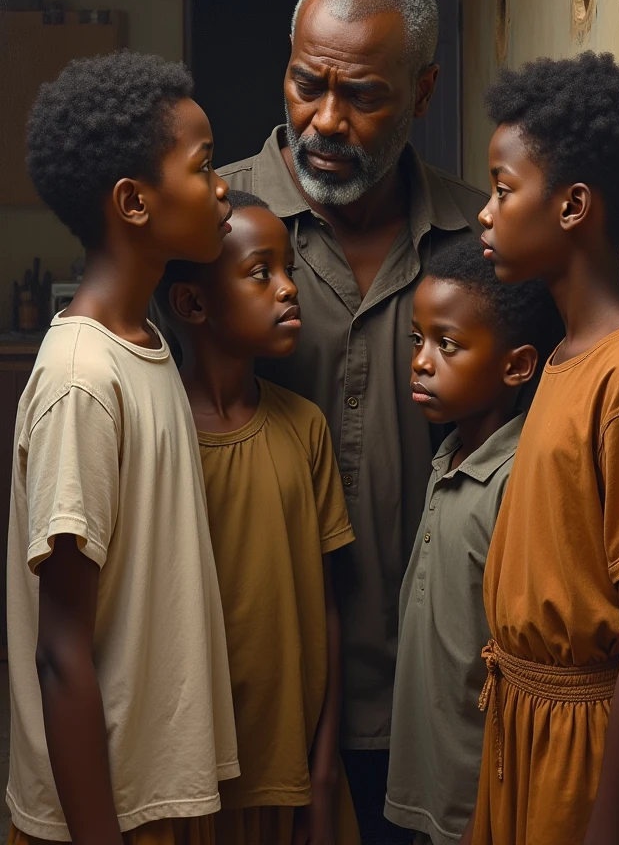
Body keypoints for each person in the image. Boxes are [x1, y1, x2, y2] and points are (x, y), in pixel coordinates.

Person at [214, 0, 487, 843]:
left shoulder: (483, 247)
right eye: (306, 84)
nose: (324, 121)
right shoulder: (206, 233)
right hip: (251, 712)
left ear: (424, 91)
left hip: (440, 714)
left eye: (363, 95)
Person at [7, 52, 239, 845]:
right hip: (103, 818)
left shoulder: (145, 341)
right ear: (134, 202)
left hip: (157, 796)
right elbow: (61, 652)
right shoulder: (81, 378)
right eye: (204, 166)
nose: (223, 187)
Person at [466, 51, 619, 845]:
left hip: (588, 753)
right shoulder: (562, 359)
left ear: (573, 207)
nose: (486, 213)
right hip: (524, 733)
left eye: (502, 188)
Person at [154, 189, 360, 845]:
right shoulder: (159, 435)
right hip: (181, 782)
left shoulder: (306, 430)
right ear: (192, 303)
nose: (288, 289)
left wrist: (322, 778)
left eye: (289, 271)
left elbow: (327, 607)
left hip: (290, 777)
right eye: (260, 272)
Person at [384, 237, 564, 845]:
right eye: (418, 340)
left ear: (516, 366)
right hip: (430, 781)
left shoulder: (517, 479)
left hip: (481, 796)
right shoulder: (450, 458)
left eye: (448, 345)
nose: (422, 361)